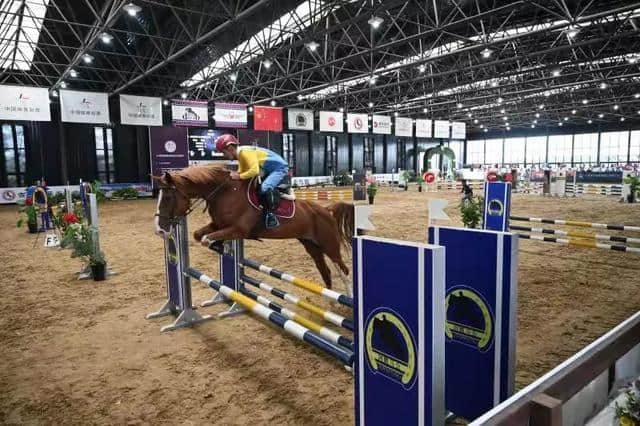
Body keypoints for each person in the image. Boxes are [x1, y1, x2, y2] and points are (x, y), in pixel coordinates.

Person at [215, 134, 289, 229]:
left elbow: (254, 171)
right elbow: (241, 171)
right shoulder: (240, 154)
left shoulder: (245, 152)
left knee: (264, 187)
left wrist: (239, 176)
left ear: (230, 148)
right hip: (267, 168)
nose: (224, 155)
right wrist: (233, 176)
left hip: (278, 168)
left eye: (223, 152)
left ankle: (271, 216)